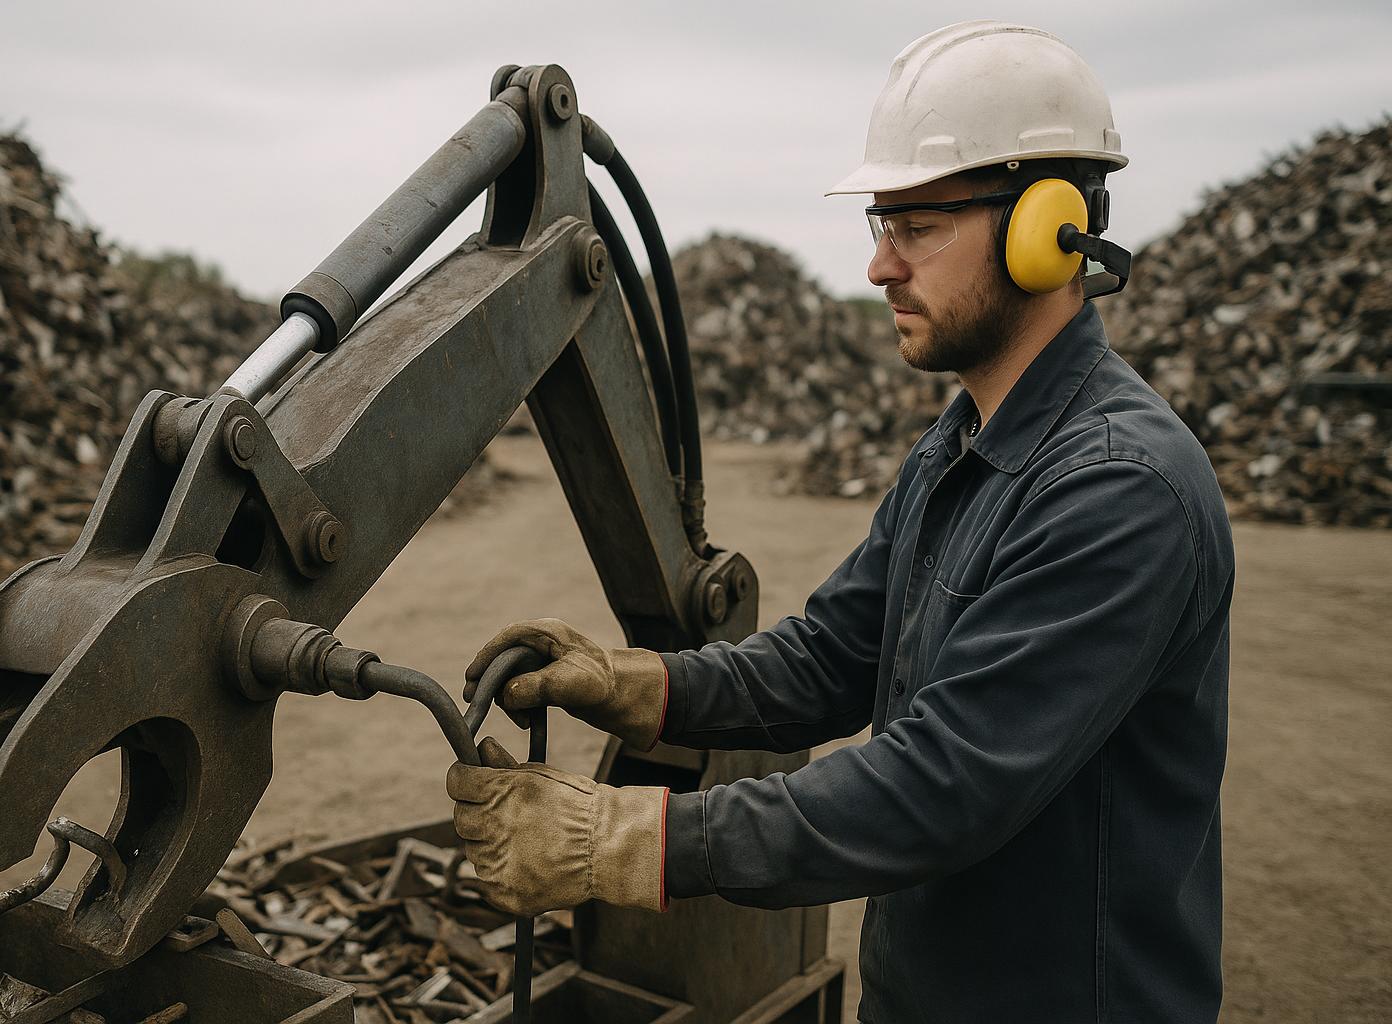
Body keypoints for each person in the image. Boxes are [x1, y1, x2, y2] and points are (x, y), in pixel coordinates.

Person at [447, 20, 1233, 1023]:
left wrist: (620, 841)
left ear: (1049, 229)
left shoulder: (1122, 491)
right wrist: (635, 683)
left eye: (917, 227)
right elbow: (831, 660)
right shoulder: (961, 445)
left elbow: (940, 786)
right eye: (879, 225)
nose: (878, 268)